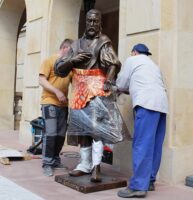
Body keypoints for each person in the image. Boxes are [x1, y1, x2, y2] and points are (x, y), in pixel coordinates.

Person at [55, 9, 125, 183]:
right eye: (89, 21)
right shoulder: (76, 45)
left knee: (96, 130)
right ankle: (85, 164)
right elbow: (59, 69)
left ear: (100, 23)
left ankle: (96, 166)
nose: (92, 25)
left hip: (96, 92)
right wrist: (73, 60)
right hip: (79, 92)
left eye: (96, 21)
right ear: (85, 22)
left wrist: (108, 80)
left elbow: (114, 64)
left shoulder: (103, 42)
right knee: (82, 130)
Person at [116, 44, 168, 198]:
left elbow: (121, 83)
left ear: (134, 52)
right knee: (155, 145)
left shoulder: (132, 60)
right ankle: (150, 180)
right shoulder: (153, 66)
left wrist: (117, 88)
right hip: (162, 105)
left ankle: (138, 186)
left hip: (147, 104)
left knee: (141, 144)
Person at [39, 39, 73, 176]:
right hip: (49, 102)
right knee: (51, 132)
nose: (73, 54)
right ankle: (47, 163)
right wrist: (57, 92)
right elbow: (41, 80)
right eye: (71, 51)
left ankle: (55, 160)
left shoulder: (70, 66)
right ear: (65, 48)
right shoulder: (49, 60)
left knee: (60, 135)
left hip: (63, 105)